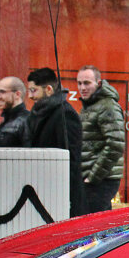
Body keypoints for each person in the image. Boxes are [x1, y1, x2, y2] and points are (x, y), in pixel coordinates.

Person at [26, 67, 84, 218]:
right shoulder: (38, 113)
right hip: (43, 190)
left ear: (49, 89)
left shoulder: (65, 114)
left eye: (33, 90)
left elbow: (71, 159)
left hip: (59, 195)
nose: (30, 96)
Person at [75, 65, 126, 214]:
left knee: (90, 226)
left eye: (87, 83)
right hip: (94, 179)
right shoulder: (90, 106)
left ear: (98, 83)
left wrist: (93, 177)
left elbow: (115, 145)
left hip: (101, 180)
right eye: (79, 83)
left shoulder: (107, 106)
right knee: (100, 226)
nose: (82, 87)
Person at [0, 76, 31, 147]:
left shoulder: (27, 121)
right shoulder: (6, 120)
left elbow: (30, 155)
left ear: (17, 94)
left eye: (2, 92)